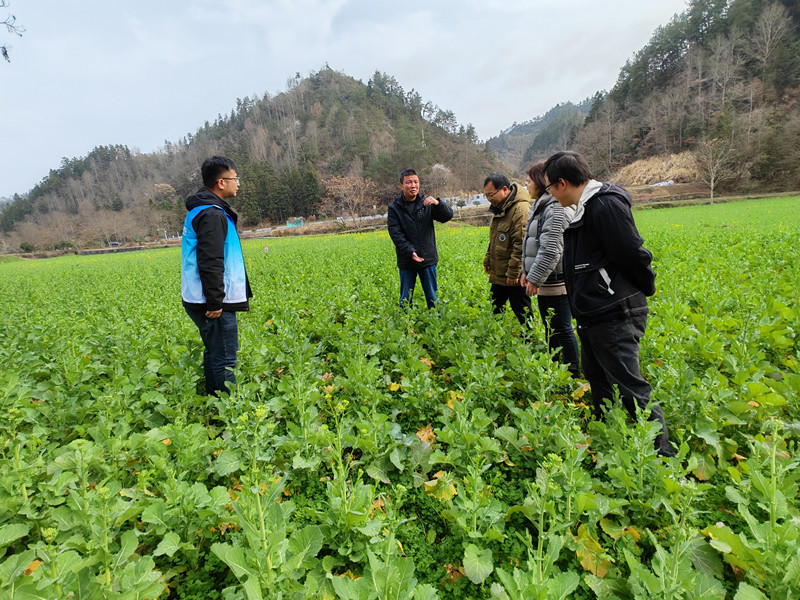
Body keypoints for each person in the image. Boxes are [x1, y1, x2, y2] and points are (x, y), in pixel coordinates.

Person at [543, 151, 674, 456]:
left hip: (614, 310)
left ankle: (662, 457)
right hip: (594, 312)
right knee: (597, 376)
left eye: (550, 187)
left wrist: (639, 290)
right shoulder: (583, 207)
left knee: (630, 387)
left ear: (562, 183)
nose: (550, 193)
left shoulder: (604, 205)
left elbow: (633, 253)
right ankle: (606, 436)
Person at [181, 156, 253, 396]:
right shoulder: (212, 214)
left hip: (201, 297)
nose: (238, 183)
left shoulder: (204, 210)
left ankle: (214, 402)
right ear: (221, 183)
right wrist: (215, 301)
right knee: (224, 359)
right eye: (235, 178)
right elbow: (210, 261)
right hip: (212, 301)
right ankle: (228, 412)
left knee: (214, 351)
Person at [520, 160, 580, 377]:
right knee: (550, 326)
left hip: (557, 282)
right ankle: (554, 366)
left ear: (540, 182)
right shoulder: (541, 206)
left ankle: (571, 370)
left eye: (528, 181)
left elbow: (551, 249)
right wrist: (525, 272)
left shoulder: (555, 208)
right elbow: (531, 243)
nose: (526, 186)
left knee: (562, 327)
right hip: (547, 280)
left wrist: (534, 278)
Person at [387, 169, 453, 308]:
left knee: (432, 298)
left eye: (416, 182)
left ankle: (436, 323)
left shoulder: (427, 202)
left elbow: (447, 216)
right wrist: (410, 251)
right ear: (401, 186)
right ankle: (406, 325)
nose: (413, 185)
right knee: (405, 298)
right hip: (407, 259)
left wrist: (438, 203)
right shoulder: (394, 208)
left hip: (427, 258)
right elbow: (396, 233)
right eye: (409, 182)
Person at [483, 173, 532, 325]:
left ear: (504, 189)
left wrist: (514, 272)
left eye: (491, 194)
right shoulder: (500, 208)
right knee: (496, 306)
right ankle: (496, 335)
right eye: (486, 195)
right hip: (499, 270)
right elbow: (494, 239)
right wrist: (488, 258)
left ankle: (530, 339)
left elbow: (521, 244)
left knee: (521, 308)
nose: (488, 199)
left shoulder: (520, 209)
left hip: (513, 274)